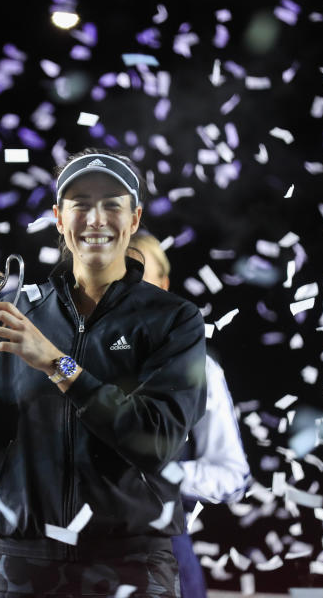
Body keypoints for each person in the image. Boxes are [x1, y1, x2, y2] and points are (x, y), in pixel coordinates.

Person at [0, 148, 208, 597]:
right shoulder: (13, 310)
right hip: (19, 565)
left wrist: (58, 364)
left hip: (128, 566)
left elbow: (158, 440)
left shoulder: (174, 320)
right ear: (59, 218)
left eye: (112, 204)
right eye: (81, 204)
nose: (96, 219)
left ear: (133, 220)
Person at [130, 231, 251, 598]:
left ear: (163, 287)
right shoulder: (63, 361)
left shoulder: (197, 369)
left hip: (165, 566)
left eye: (138, 278)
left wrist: (159, 475)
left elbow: (234, 477)